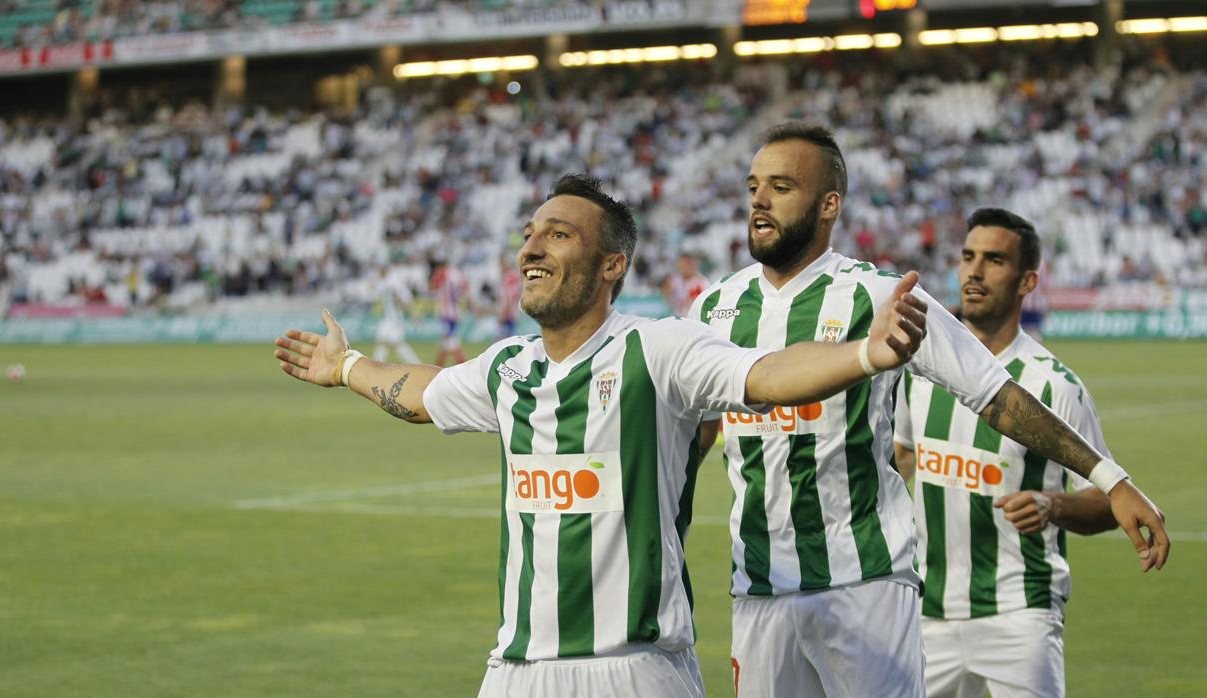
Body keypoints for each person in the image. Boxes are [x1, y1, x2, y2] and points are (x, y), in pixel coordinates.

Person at [273, 173, 930, 698]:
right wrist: (347, 367)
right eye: (530, 235)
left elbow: (764, 374)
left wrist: (864, 356)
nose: (531, 248)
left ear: (612, 264)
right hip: (517, 669)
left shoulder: (660, 349)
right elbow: (421, 395)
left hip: (635, 669)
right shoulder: (510, 366)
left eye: (558, 235)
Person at [690, 122, 1169, 698]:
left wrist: (1110, 479)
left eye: (782, 187)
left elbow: (996, 394)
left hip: (863, 584)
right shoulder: (714, 310)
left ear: (828, 205)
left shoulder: (880, 296)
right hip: (759, 588)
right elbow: (688, 434)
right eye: (752, 187)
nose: (759, 201)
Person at [894, 209, 1117, 698]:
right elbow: (899, 459)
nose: (974, 271)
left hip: (1020, 613)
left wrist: (1052, 505)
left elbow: (1109, 503)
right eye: (968, 257)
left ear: (1027, 280)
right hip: (926, 610)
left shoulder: (1055, 386)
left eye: (994, 260)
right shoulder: (921, 370)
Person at [370, 265, 421, 364]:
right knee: (383, 342)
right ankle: (376, 366)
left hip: (394, 320)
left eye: (379, 272)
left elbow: (405, 300)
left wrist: (413, 315)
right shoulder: (390, 283)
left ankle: (417, 364)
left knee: (396, 345)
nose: (378, 275)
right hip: (389, 319)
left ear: (382, 272)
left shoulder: (391, 284)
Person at [430, 258, 468, 366]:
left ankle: (462, 365)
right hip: (454, 311)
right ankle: (439, 367)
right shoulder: (456, 274)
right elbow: (463, 289)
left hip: (447, 314)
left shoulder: (442, 274)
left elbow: (432, 286)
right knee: (447, 342)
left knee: (450, 342)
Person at [661, 252, 710, 318]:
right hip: (677, 318)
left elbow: (704, 305)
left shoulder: (702, 283)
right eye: (680, 265)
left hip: (694, 319)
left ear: (691, 265)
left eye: (684, 265)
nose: (681, 268)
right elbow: (667, 299)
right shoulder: (675, 280)